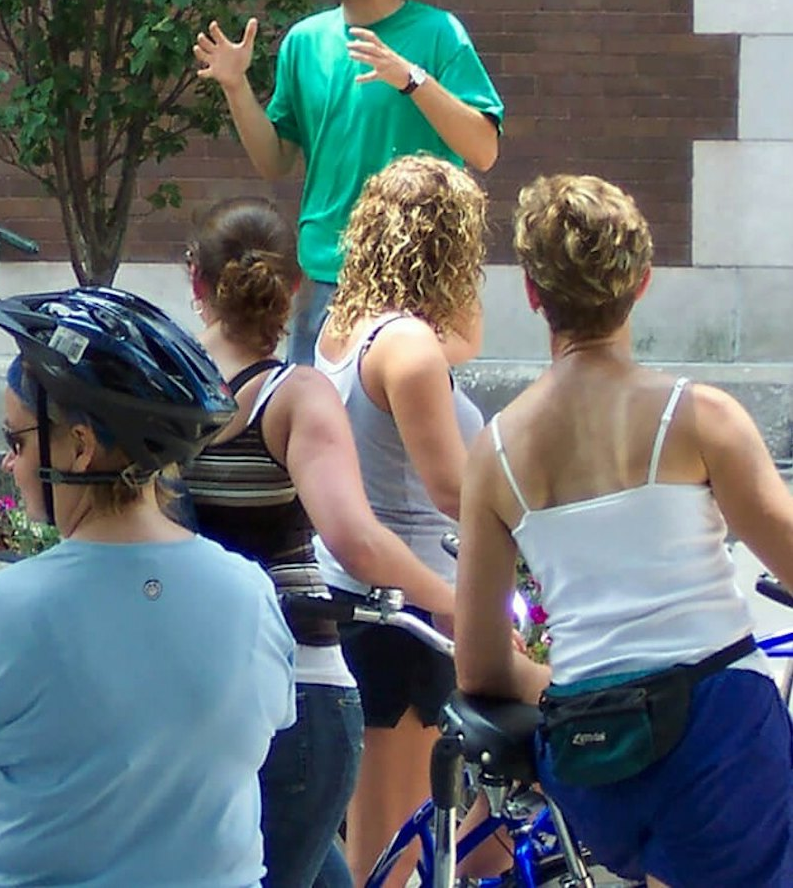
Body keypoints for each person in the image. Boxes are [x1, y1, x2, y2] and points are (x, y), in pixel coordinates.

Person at [456, 175, 793, 888]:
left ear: (532, 292)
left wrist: (572, 680)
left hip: (589, 746)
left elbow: (480, 666)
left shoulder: (495, 453)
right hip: (715, 727)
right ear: (641, 283)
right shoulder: (699, 417)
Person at [0, 288, 296, 888]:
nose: (10, 463)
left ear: (79, 447)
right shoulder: (250, 593)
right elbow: (251, 742)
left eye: (17, 441)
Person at [181, 197, 458, 888]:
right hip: (293, 687)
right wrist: (455, 601)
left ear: (196, 282)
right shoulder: (293, 397)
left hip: (188, 686)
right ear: (295, 286)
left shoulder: (165, 391)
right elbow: (355, 540)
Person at [195, 0, 503, 363]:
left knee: (395, 433)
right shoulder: (303, 41)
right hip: (324, 278)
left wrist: (410, 78)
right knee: (319, 431)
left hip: (413, 278)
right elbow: (276, 162)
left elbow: (484, 150)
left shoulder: (440, 34)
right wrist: (236, 87)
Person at [313, 155, 488, 888]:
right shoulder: (411, 350)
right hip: (409, 611)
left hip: (365, 598)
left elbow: (452, 346)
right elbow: (455, 491)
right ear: (454, 247)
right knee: (389, 858)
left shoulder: (346, 329)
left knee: (414, 839)